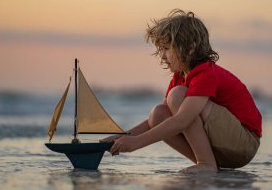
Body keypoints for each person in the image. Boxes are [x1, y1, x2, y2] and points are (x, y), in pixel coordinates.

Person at [104, 9, 262, 173]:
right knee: (158, 113)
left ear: (190, 48)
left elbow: (182, 120)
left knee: (177, 95)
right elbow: (154, 122)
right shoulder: (180, 77)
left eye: (166, 49)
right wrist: (121, 138)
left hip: (243, 143)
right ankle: (208, 163)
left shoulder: (205, 73)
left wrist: (137, 143)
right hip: (224, 146)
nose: (162, 57)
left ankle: (206, 163)